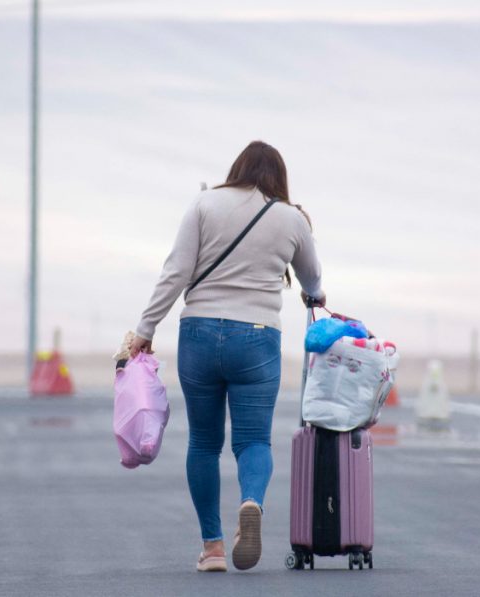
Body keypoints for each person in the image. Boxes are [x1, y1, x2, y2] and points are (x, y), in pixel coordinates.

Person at [129, 140, 325, 572]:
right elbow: (312, 277)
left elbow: (176, 271)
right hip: (256, 338)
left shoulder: (204, 204)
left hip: (198, 333)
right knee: (253, 440)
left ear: (236, 168)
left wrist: (145, 329)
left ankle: (213, 548)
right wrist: (315, 295)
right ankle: (251, 503)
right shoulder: (290, 217)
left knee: (203, 441)